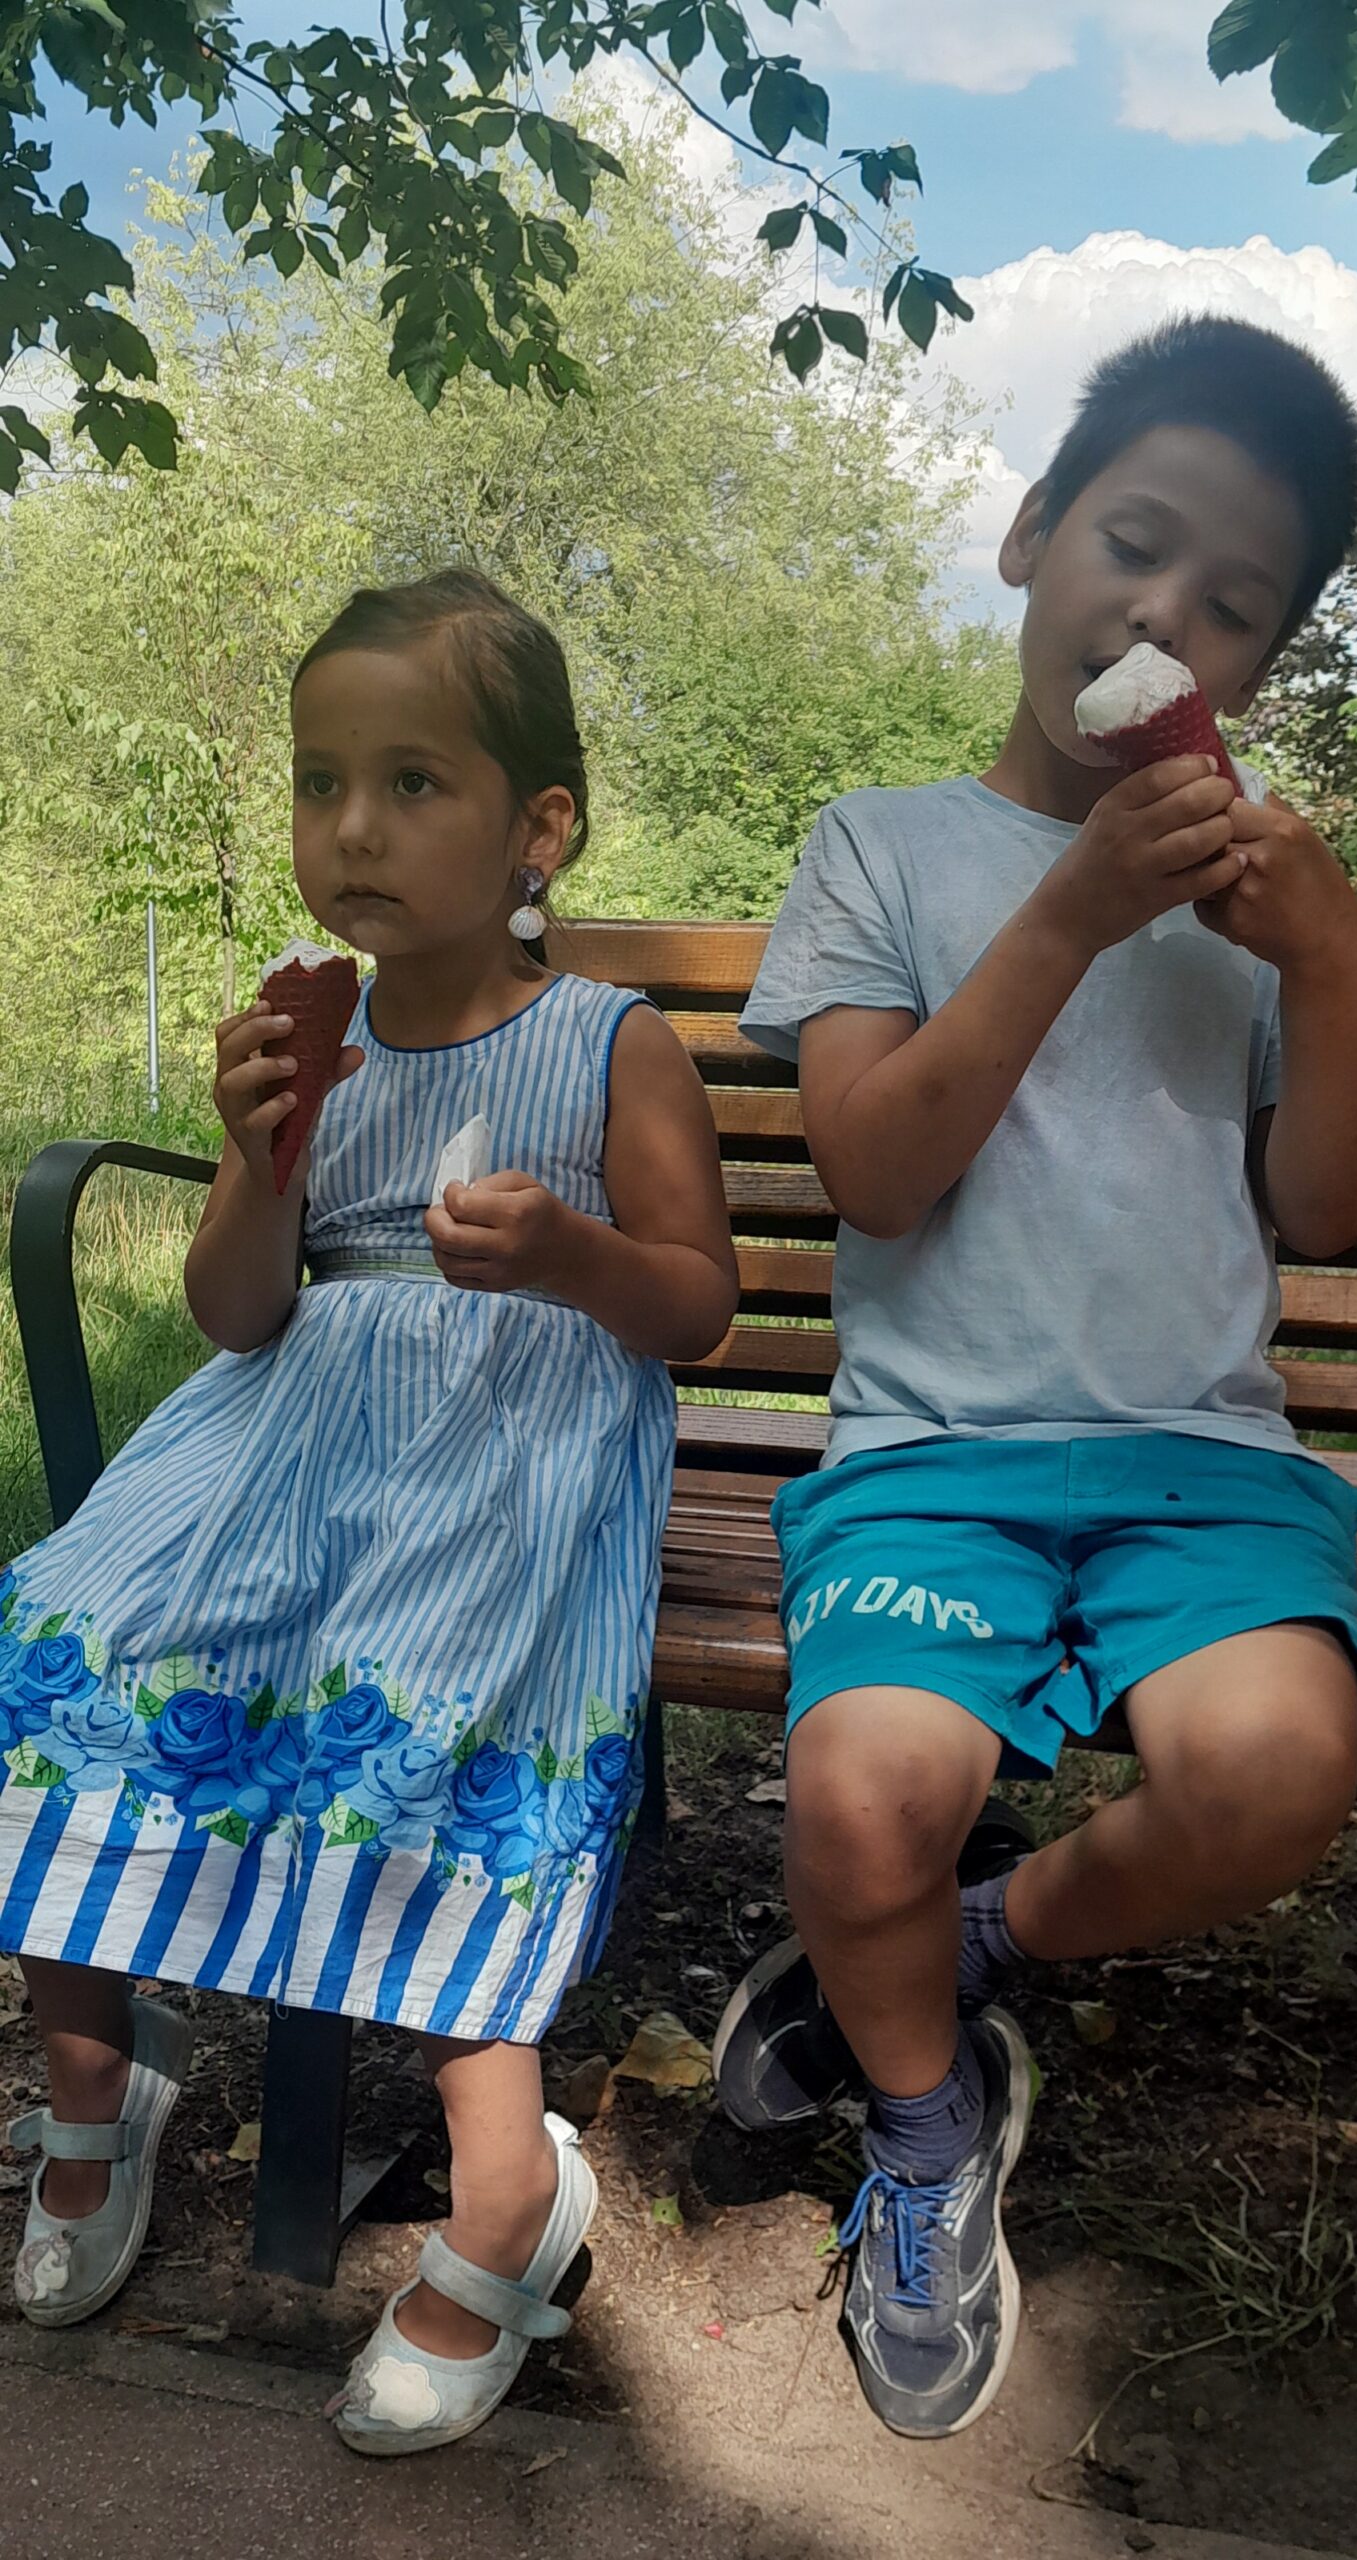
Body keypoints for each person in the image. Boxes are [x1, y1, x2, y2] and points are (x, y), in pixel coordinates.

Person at [711, 317, 1357, 2440]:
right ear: (1028, 537)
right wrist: (1072, 916)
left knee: (1275, 1776)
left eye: (1232, 603)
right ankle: (927, 2132)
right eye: (1132, 542)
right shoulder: (881, 846)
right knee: (857, 1801)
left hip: (1201, 1459)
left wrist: (1334, 962)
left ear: (1261, 664)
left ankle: (975, 1940)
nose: (1165, 615)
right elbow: (876, 1168)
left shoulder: (1261, 899)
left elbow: (1330, 1206)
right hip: (935, 1457)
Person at [0, 568, 738, 2454]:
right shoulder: (301, 1036)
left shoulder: (610, 1043)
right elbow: (240, 1314)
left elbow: (699, 1306)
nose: (352, 828)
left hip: (508, 1458)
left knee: (422, 1732)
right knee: (54, 1669)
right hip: (286, 1446)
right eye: (321, 782)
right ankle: (97, 2088)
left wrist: (572, 1253)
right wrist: (259, 1153)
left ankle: (507, 2194)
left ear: (538, 828)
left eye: (413, 782)